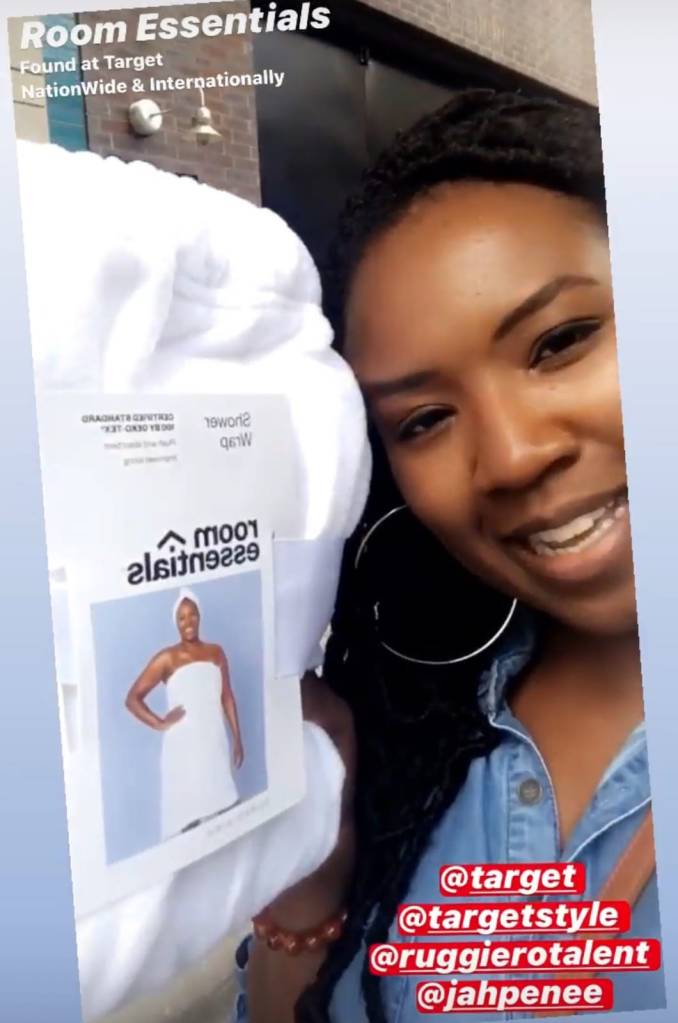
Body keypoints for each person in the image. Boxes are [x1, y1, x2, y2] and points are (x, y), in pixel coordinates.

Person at [234, 89, 662, 1022]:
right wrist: (309, 879)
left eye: (560, 342)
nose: (511, 457)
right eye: (424, 419)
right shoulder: (407, 729)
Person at [126, 588, 244, 839]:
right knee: (190, 821)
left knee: (223, 813)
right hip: (183, 747)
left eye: (192, 615)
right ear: (176, 623)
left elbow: (227, 696)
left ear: (199, 617)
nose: (188, 622)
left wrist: (237, 738)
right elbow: (132, 699)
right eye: (182, 618)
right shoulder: (167, 658)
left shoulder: (216, 652)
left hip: (213, 741)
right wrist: (159, 723)